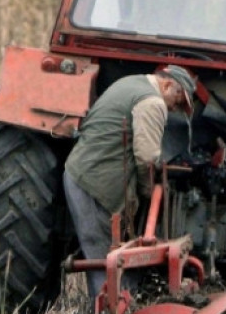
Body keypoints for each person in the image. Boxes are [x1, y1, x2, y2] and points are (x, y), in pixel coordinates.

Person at [63, 65, 197, 299]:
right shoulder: (152, 102)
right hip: (96, 184)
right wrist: (148, 190)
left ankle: (111, 308)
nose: (176, 108)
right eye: (179, 100)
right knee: (105, 253)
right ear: (167, 84)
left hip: (81, 174)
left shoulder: (128, 83)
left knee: (102, 251)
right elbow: (146, 157)